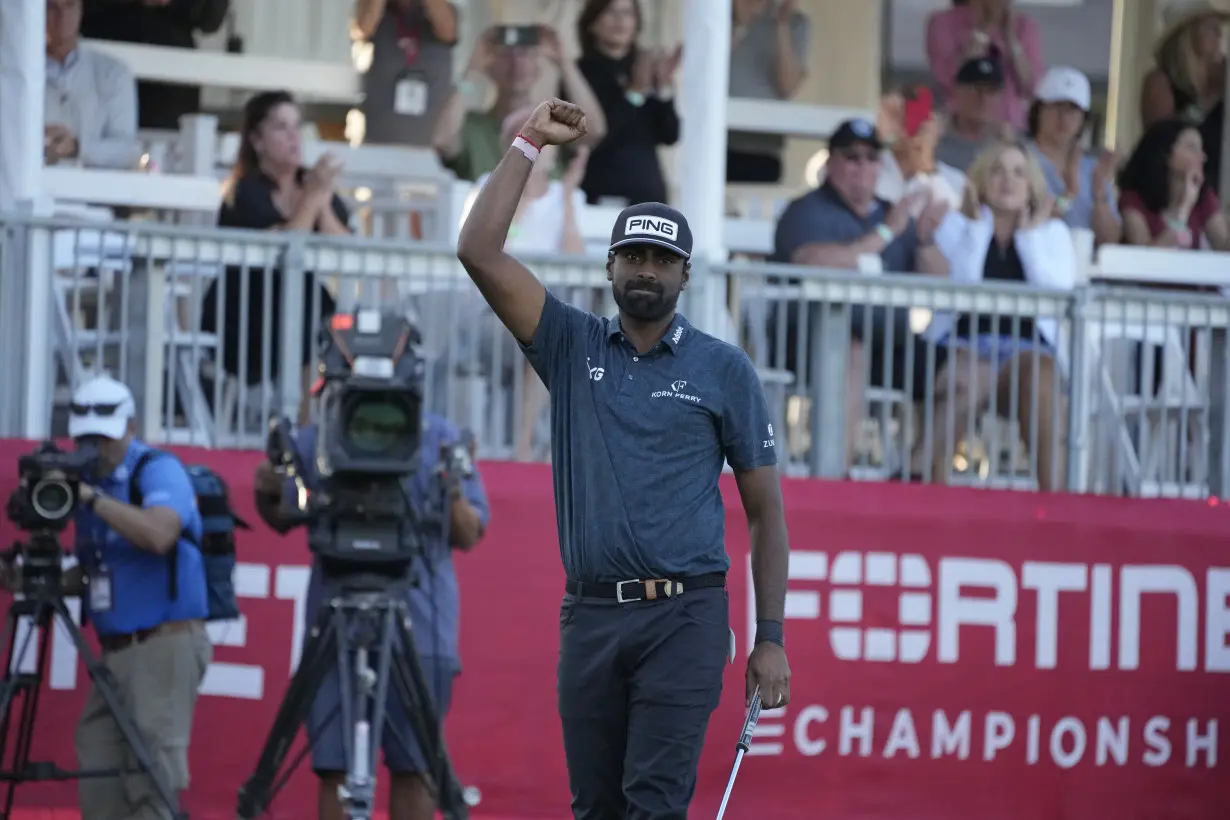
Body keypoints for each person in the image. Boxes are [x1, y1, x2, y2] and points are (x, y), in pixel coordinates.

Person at [457, 98, 791, 819]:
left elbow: (765, 513)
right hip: (591, 616)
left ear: (685, 274)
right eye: (633, 255)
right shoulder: (570, 345)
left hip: (686, 617)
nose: (647, 270)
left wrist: (770, 638)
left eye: (662, 259)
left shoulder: (723, 368)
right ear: (610, 266)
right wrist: (525, 143)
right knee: (596, 810)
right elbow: (478, 252)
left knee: (653, 806)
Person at [252, 391, 489, 820]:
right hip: (334, 618)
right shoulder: (318, 437)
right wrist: (268, 489)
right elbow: (283, 513)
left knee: (417, 767)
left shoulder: (439, 437)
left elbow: (469, 532)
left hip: (418, 620)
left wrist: (451, 486)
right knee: (334, 770)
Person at [62, 375, 211, 819]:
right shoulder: (87, 480)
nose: (97, 448)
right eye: (87, 439)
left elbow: (159, 534)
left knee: (153, 779)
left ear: (131, 426)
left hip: (161, 645)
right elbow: (95, 570)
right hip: (113, 655)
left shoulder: (157, 469)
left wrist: (91, 499)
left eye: (105, 439)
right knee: (99, 772)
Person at [925, 141, 1076, 491]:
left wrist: (1028, 239)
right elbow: (961, 287)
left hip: (1026, 354)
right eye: (997, 170)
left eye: (1018, 172)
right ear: (980, 181)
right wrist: (978, 230)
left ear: (1032, 185)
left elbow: (1056, 294)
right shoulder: (955, 225)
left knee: (1042, 376)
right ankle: (926, 496)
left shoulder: (1053, 234)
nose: (1008, 180)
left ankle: (1056, 504)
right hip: (964, 346)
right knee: (964, 375)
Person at [207, 91, 348, 424]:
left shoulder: (309, 183)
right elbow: (285, 247)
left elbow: (345, 248)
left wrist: (323, 199)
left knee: (333, 326)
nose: (293, 136)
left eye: (297, 127)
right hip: (246, 316)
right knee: (310, 325)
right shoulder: (244, 191)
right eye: (281, 127)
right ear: (256, 139)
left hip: (304, 310)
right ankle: (303, 431)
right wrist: (313, 196)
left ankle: (317, 428)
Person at [1025, 66, 1120, 245]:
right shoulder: (1019, 159)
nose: (1064, 117)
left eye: (1073, 110)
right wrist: (1069, 194)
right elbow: (1032, 225)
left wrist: (1099, 194)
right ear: (1038, 110)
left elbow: (1110, 239)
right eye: (1056, 107)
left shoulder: (1092, 168)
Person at [44, 0, 142, 169]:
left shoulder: (113, 72)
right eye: (52, 7)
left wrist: (77, 147)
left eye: (69, 5)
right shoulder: (11, 72)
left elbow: (127, 150)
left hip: (94, 190)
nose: (62, 16)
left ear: (81, 10)